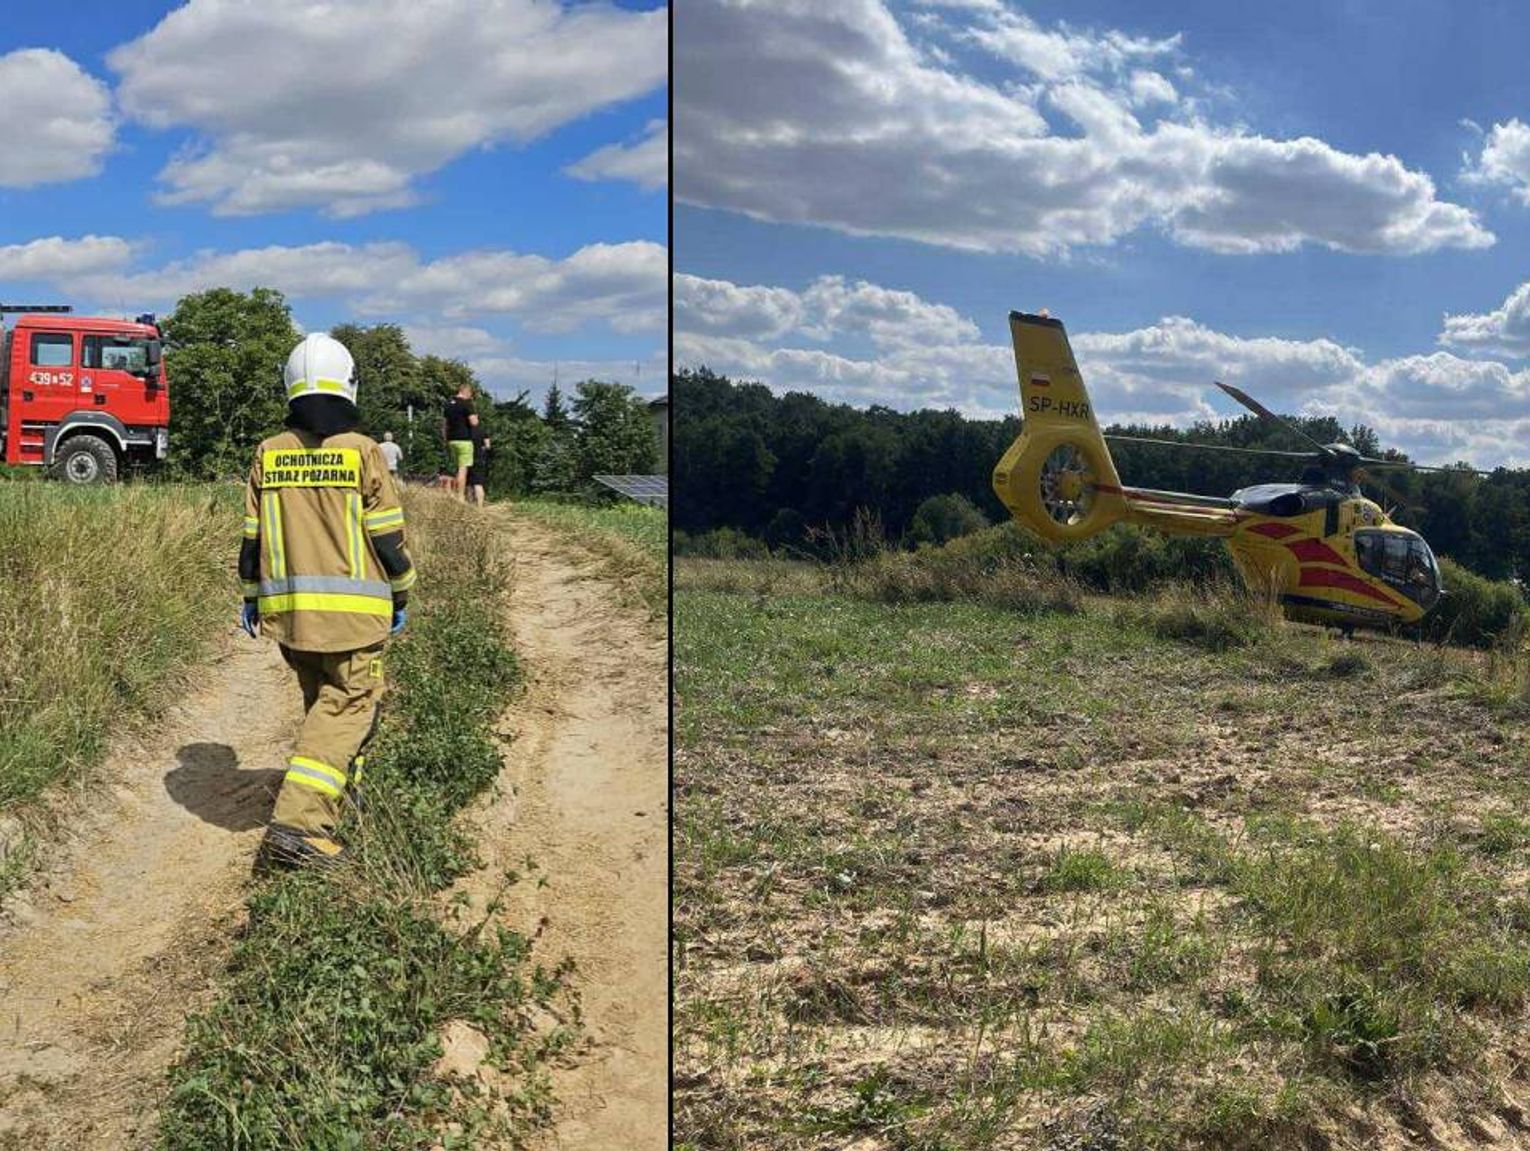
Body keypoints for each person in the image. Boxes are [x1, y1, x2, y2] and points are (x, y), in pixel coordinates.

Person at [238, 333, 417, 869]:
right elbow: (388, 538)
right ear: (349, 385)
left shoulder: (268, 453)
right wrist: (401, 591)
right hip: (355, 619)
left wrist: (253, 598)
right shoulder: (363, 452)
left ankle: (338, 796)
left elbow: (252, 542)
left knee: (324, 709)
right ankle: (299, 826)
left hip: (291, 618)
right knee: (349, 707)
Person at [442, 382, 478, 501]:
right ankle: (460, 497)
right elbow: (474, 422)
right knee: (463, 469)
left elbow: (445, 425)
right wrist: (475, 416)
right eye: (470, 394)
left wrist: (445, 439)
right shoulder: (467, 404)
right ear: (466, 391)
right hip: (464, 440)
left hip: (452, 440)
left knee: (456, 468)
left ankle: (450, 493)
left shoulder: (448, 404)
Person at [465, 421, 491, 507]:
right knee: (478, 483)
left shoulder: (465, 432)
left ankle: (469, 505)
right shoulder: (483, 431)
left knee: (468, 483)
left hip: (466, 458)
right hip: (479, 459)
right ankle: (480, 507)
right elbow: (488, 446)